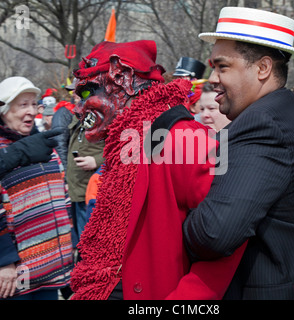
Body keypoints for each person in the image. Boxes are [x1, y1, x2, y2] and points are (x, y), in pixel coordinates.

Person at [182, 7, 294, 300]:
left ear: (262, 69)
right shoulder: (276, 115)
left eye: (223, 67)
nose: (212, 79)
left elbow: (214, 234)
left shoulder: (263, 124)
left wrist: (179, 217)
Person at [69, 40, 247, 300]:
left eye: (87, 93)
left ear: (125, 79)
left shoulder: (184, 138)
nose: (77, 109)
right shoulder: (124, 142)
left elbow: (230, 235)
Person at [0, 76, 75, 300]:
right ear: (4, 110)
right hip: (15, 275)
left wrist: (69, 240)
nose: (32, 112)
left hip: (52, 267)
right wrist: (4, 261)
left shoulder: (45, 146)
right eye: (23, 105)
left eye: (34, 104)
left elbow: (64, 195)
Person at [66, 112, 105, 240]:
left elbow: (123, 148)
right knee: (81, 241)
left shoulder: (107, 112)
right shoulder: (79, 114)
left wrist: (97, 160)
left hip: (92, 193)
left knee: (90, 242)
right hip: (75, 189)